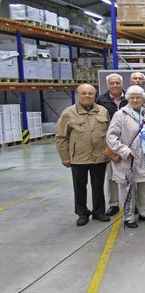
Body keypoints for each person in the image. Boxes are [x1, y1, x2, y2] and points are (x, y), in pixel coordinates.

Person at [55, 84, 111, 226]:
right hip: (78, 157)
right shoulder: (68, 113)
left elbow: (110, 133)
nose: (87, 96)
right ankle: (82, 213)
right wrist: (65, 156)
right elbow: (61, 137)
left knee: (98, 185)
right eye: (84, 93)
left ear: (95, 95)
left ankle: (99, 212)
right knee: (80, 186)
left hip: (99, 156)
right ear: (78, 95)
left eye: (90, 93)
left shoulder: (103, 111)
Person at [106, 86, 145, 228]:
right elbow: (111, 137)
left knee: (144, 186)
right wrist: (124, 150)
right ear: (128, 99)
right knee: (128, 189)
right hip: (128, 159)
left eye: (138, 98)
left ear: (143, 99)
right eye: (132, 98)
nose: (135, 100)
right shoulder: (120, 115)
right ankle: (128, 217)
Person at [96, 73, 126, 217]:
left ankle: (129, 201)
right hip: (110, 143)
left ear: (122, 84)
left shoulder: (129, 98)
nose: (115, 85)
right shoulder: (101, 100)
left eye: (117, 83)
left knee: (129, 174)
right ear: (108, 85)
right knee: (111, 175)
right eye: (112, 83)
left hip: (128, 142)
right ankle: (113, 203)